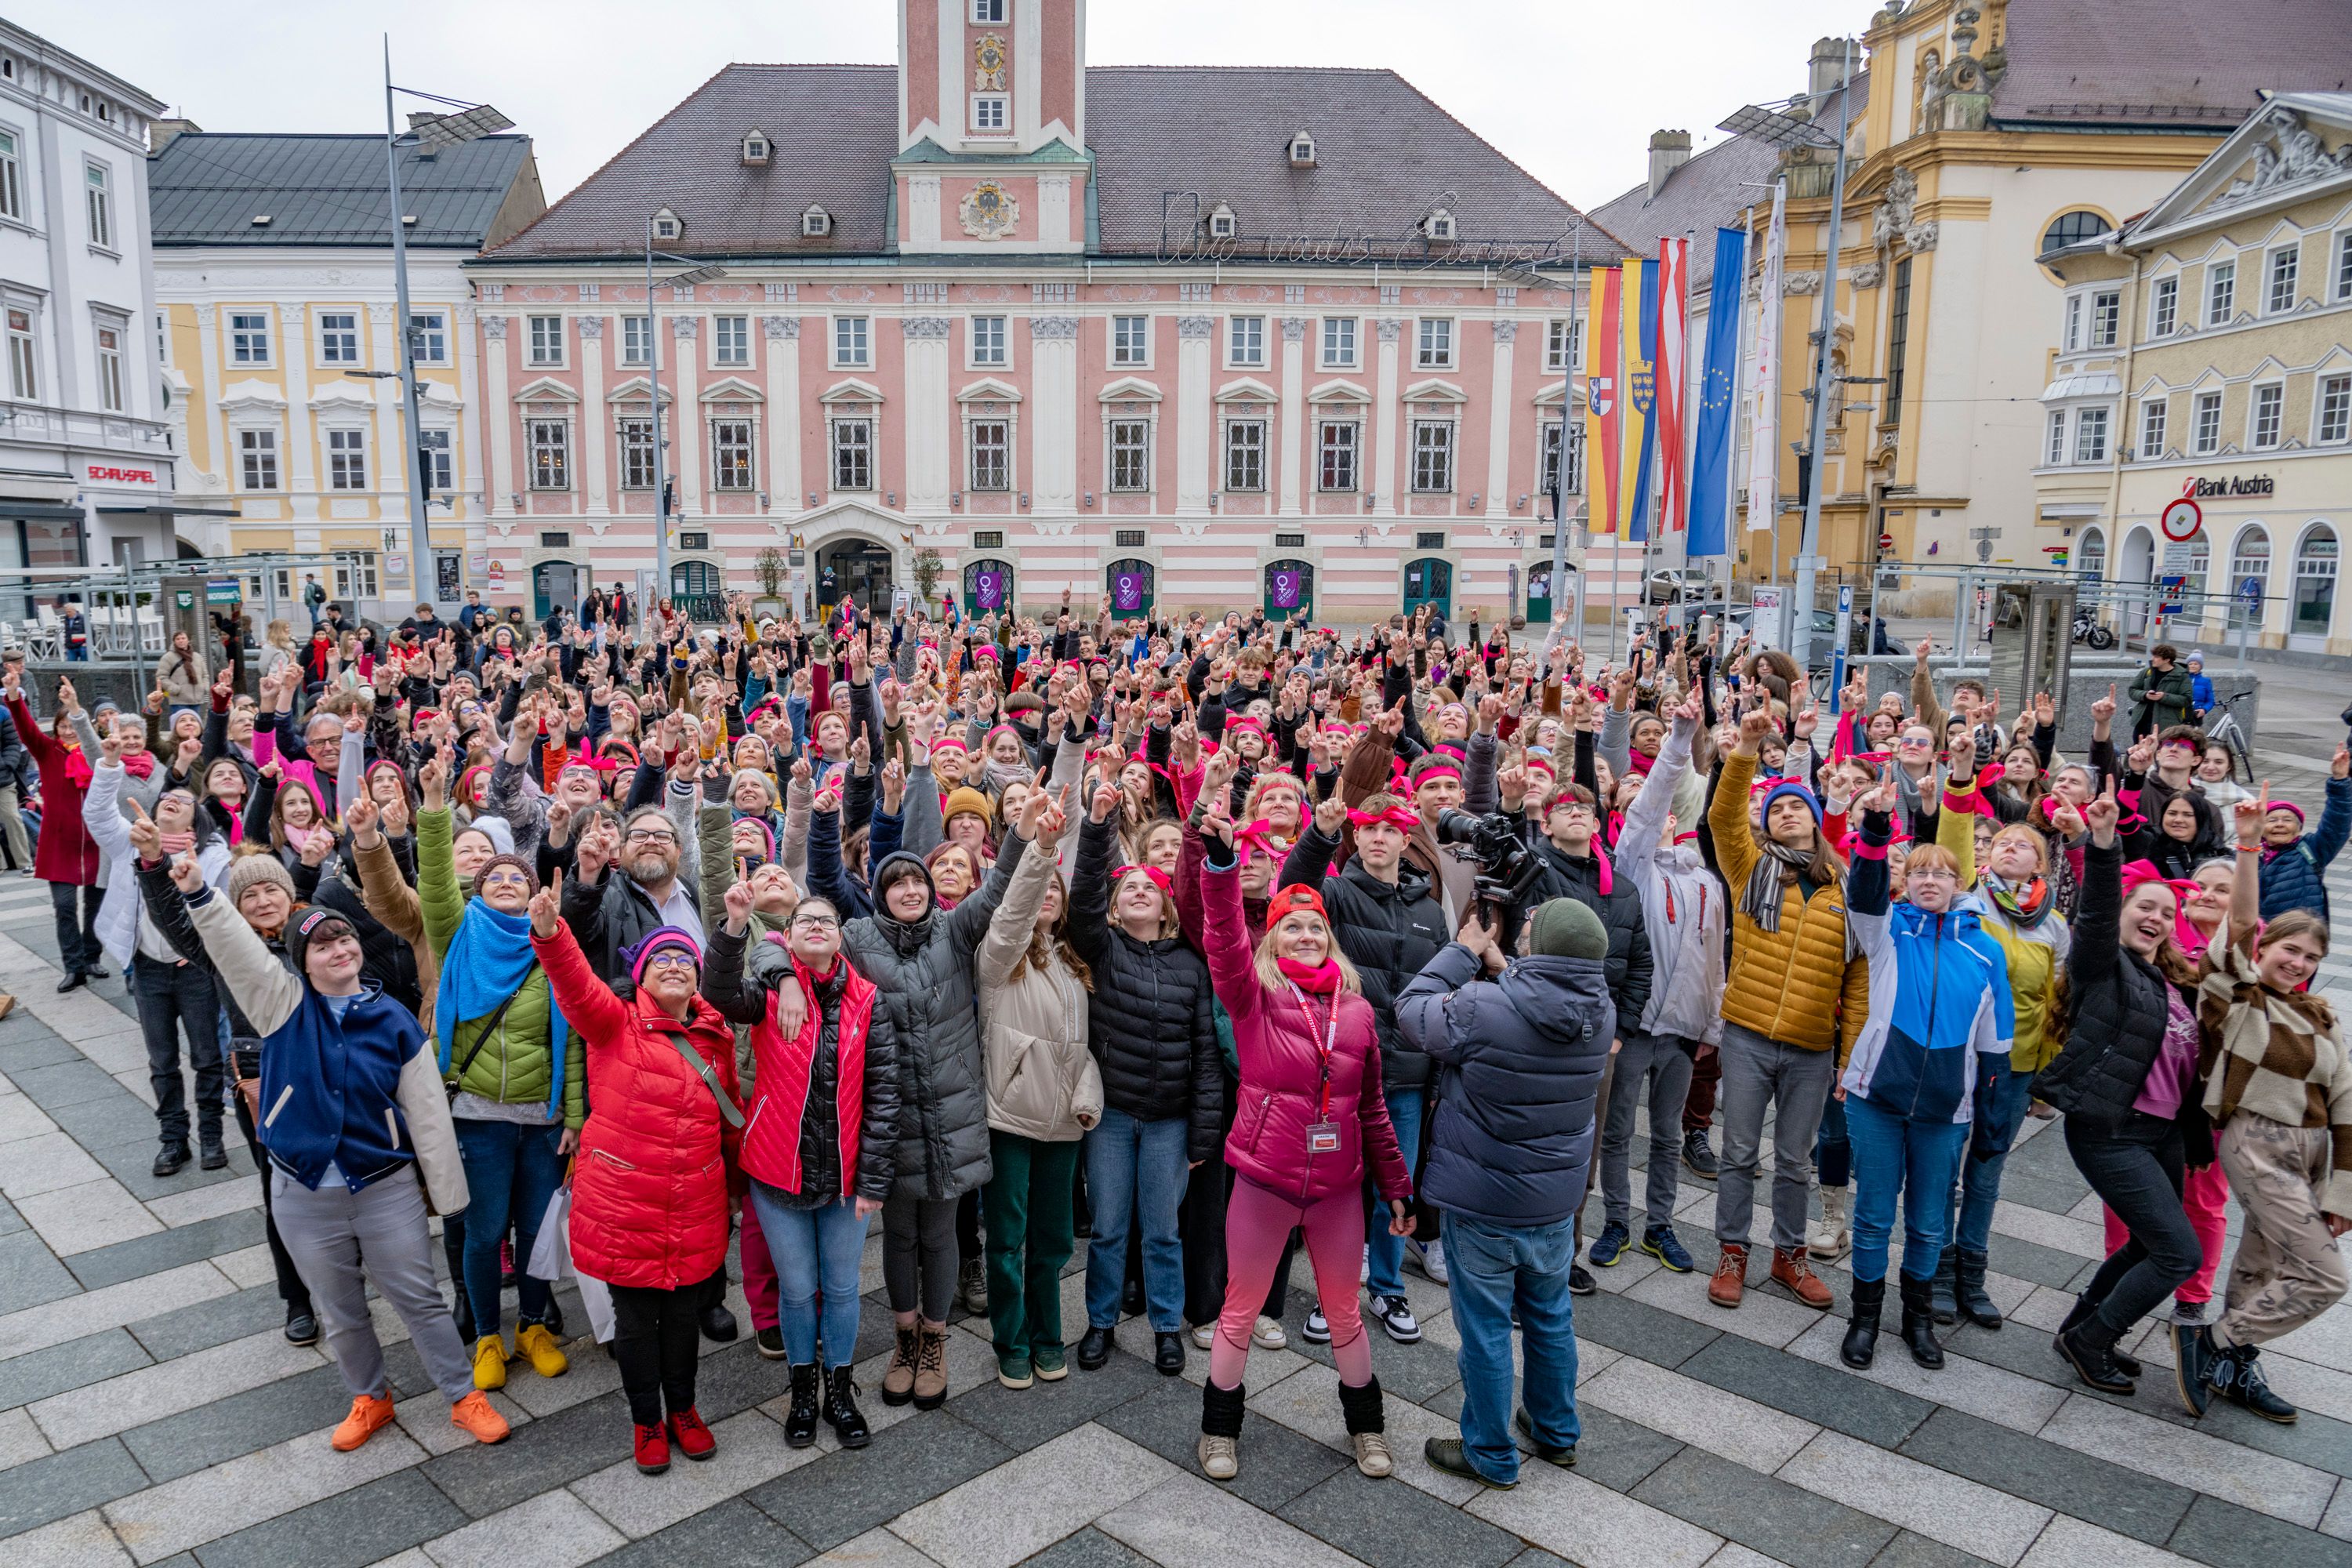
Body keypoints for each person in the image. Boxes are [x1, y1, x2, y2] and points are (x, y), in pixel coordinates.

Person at [173, 855, 509, 1452]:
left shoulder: (394, 1021)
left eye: (345, 939)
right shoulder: (281, 1005)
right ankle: (370, 1398)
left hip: (384, 1186)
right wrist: (199, 891)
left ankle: (462, 1396)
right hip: (302, 1190)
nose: (338, 950)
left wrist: (450, 1196)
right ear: (303, 960)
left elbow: (428, 1115)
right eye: (323, 945)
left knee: (420, 1300)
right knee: (340, 1307)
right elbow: (235, 949)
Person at [1193, 814, 1409, 1485]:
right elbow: (1225, 942)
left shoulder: (1359, 1011)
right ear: (1275, 937)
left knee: (1345, 1310)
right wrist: (1224, 868)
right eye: (1292, 925)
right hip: (1264, 1181)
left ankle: (1367, 1428)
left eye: (1316, 926)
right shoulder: (1253, 996)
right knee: (1240, 1309)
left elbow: (1371, 1106)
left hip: (1339, 1190)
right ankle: (1219, 1432)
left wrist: (1396, 1183)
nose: (1307, 934)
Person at [812, 787, 1026, 1410]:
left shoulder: (955, 933)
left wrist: (1018, 832)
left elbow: (997, 887)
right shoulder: (856, 941)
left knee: (941, 1233)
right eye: (899, 883)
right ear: (881, 893)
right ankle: (904, 1339)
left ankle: (935, 1341)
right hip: (889, 1114)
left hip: (953, 1110)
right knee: (898, 1233)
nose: (911, 891)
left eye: (918, 883)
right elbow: (803, 940)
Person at [1396, 897, 1613, 1489]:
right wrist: (1504, 964)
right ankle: (1556, 1432)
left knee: (1487, 1329)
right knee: (1549, 1318)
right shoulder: (1601, 1009)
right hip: (1552, 1202)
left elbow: (1411, 1010)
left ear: (1535, 948)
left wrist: (1462, 951)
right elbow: (1538, 999)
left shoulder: (1481, 1006)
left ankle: (1489, 1452)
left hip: (1485, 1200)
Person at [528, 873, 741, 1475]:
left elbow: (727, 1118)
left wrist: (735, 1191)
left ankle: (685, 1409)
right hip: (626, 1206)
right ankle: (646, 1418)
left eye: (684, 959)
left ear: (698, 977)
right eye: (660, 959)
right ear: (642, 975)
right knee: (634, 1323)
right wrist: (551, 934)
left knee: (681, 1321)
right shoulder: (614, 1023)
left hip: (694, 1202)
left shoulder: (716, 1035)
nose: (674, 965)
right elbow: (575, 986)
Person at [2172, 790, 2352, 1422]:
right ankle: (2213, 1341)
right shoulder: (2237, 997)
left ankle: (2232, 1367)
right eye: (2289, 950)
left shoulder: (2321, 1016)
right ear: (2266, 948)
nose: (2298, 963)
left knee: (2262, 1265)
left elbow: (2347, 1107)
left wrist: (2342, 1195)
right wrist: (2247, 846)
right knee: (2327, 1277)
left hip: (2308, 1157)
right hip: (2256, 1142)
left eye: (2310, 958)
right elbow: (2239, 924)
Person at [704, 881, 898, 1449]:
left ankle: (840, 1387)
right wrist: (736, 926)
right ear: (788, 938)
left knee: (840, 1289)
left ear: (842, 938)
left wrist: (875, 1179)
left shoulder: (868, 1000)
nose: (816, 925)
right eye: (805, 920)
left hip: (845, 1178)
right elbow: (719, 993)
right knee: (796, 1290)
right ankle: (802, 1390)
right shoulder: (770, 993)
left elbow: (885, 1095)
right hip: (776, 1170)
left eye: (827, 920)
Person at [1836, 768, 2013, 1370]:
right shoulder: (1887, 931)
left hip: (1945, 1109)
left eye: (1941, 872)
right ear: (1905, 882)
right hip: (1876, 1097)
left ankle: (1915, 1319)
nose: (1930, 880)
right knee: (1873, 1214)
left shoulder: (1985, 949)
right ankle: (1863, 1317)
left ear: (1961, 883)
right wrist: (1878, 828)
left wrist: (1990, 1121)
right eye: (1919, 872)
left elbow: (1995, 1048)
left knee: (1930, 1221)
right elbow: (1862, 890)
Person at [2035, 782, 2209, 1394]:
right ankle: (2093, 1340)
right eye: (2146, 907)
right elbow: (2098, 911)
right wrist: (2102, 844)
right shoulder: (2102, 966)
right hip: (2110, 1131)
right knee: (2178, 1254)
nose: (2157, 918)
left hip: (2161, 1134)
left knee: (2146, 1242)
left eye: (2168, 912)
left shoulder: (2170, 984)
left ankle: (2080, 1327)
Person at [410, 792, 581, 1392]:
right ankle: (488, 1334)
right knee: (484, 1234)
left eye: (517, 875)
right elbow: (435, 882)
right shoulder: (458, 935)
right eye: (494, 876)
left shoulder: (553, 944)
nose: (505, 881)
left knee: (535, 1232)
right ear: (475, 891)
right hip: (476, 1118)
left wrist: (576, 1118)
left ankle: (534, 1325)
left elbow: (578, 1039)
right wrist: (434, 807)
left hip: (541, 1119)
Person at [1279, 783, 1450, 1342]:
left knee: (1393, 1189)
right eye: (1369, 828)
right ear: (1357, 835)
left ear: (1407, 837)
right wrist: (1321, 835)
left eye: (1390, 829)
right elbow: (1292, 888)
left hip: (1404, 1074)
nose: (1379, 837)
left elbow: (1442, 993)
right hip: (1340, 1073)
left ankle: (1388, 1286)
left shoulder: (1429, 910)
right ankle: (1335, 1291)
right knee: (1336, 1188)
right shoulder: (1337, 894)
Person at [1705, 707, 1859, 1312]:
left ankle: (1788, 1256)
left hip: (1813, 1043)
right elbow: (1722, 818)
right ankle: (1733, 1253)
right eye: (1777, 808)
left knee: (1795, 1161)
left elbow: (1862, 976)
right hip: (1747, 1033)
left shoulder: (1847, 885)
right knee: (1740, 1153)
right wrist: (1745, 750)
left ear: (1817, 820)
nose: (1787, 812)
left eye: (1798, 806)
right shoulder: (1750, 869)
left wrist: (1849, 1057)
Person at [1069, 783, 1221, 1374]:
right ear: (1117, 904)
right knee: (1108, 1229)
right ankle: (1101, 1322)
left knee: (1161, 1232)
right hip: (1111, 1117)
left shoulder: (1190, 963)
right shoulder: (1102, 947)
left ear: (1165, 906)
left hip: (1170, 1122)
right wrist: (1098, 825)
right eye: (1127, 887)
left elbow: (1206, 1055)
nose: (1138, 891)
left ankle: (1165, 1326)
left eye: (1148, 888)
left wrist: (1202, 1134)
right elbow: (1082, 898)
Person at [970, 790, 1098, 1388]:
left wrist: (1086, 1091)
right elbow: (1016, 909)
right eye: (1041, 887)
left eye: (1055, 890)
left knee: (1052, 1240)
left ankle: (1049, 1336)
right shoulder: (999, 959)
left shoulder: (1075, 966)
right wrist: (1043, 851)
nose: (1047, 895)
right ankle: (1011, 1341)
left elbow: (1079, 1048)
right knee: (1008, 1238)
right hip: (1010, 1115)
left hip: (1066, 1121)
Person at [1599, 688, 1720, 1273]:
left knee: (1668, 1136)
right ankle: (1618, 1220)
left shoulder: (1708, 885)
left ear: (1684, 819)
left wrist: (1711, 1029)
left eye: (1673, 808)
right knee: (1618, 1129)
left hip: (1683, 1031)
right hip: (1637, 1027)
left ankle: (1660, 1226)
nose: (1660, 814)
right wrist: (1677, 739)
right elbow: (1646, 808)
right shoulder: (1634, 866)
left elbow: (1714, 961)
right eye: (1654, 808)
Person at [7, 672, 104, 990]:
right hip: (59, 842)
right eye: (63, 727)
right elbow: (25, 728)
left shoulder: (97, 754)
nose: (69, 731)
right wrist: (13, 697)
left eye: (74, 726)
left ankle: (92, 956)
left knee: (96, 904)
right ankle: (73, 967)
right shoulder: (48, 751)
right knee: (64, 906)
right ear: (57, 729)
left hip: (94, 841)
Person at [2252, 746, 2352, 922]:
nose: (2280, 824)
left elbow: (2336, 823)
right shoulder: (2249, 854)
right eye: (2272, 820)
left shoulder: (2311, 850)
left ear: (2299, 829)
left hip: (2299, 937)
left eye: (2288, 820)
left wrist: (2340, 781)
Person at [2131, 643, 2195, 739]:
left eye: (2157, 657)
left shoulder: (2182, 676)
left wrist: (2164, 697)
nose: (2153, 659)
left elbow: (2186, 699)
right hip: (2142, 723)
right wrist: (2145, 695)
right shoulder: (2147, 672)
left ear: (2167, 660)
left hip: (2166, 726)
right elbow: (2132, 690)